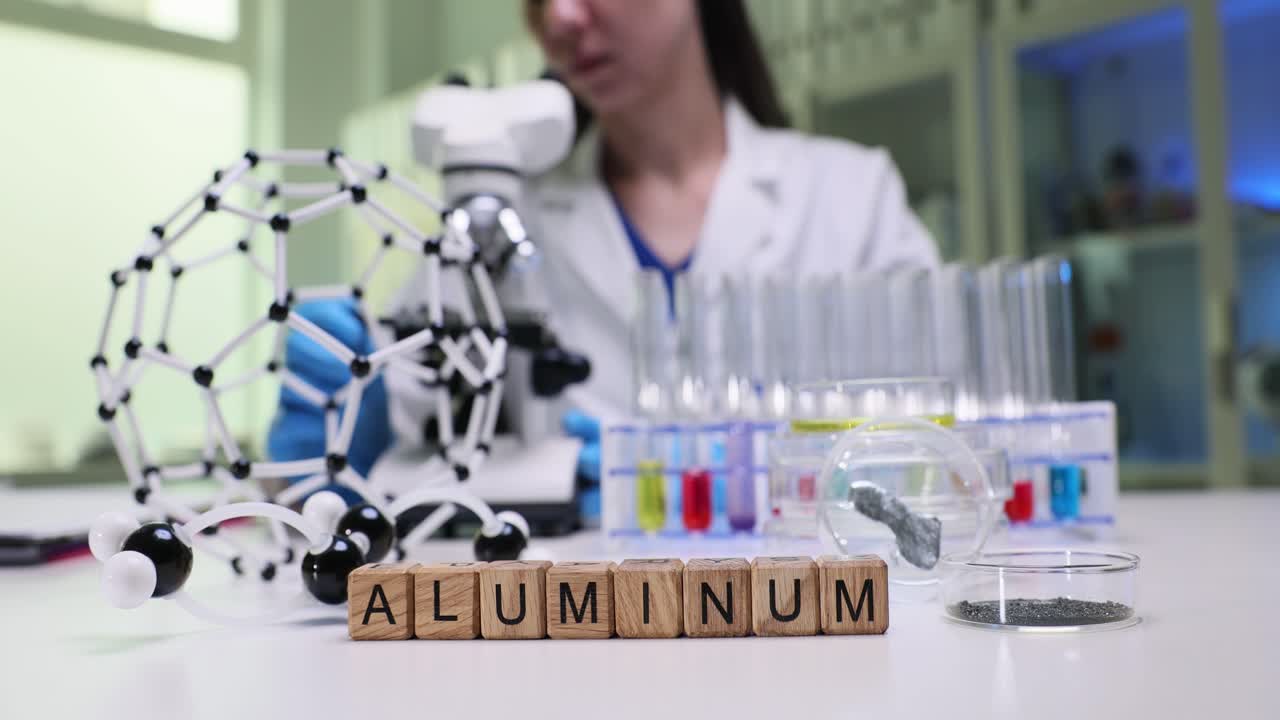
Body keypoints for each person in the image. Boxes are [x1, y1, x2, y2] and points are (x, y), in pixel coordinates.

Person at [267, 0, 938, 514]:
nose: (559, 16)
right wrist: (342, 430)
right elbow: (399, 448)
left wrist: (730, 482)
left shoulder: (851, 198)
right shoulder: (508, 222)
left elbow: (949, 462)